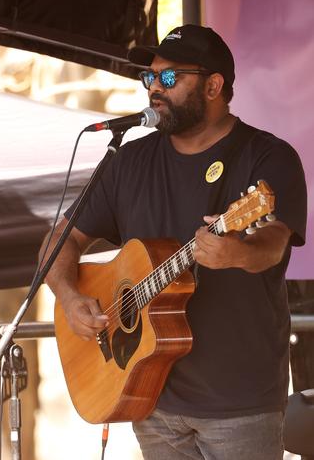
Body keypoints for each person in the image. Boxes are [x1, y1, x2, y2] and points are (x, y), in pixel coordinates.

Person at [42, 24, 307, 459]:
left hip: (239, 400)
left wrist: (237, 251)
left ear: (214, 86)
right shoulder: (128, 161)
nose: (153, 89)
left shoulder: (268, 157)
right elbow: (60, 241)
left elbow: (273, 245)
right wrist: (70, 297)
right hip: (150, 393)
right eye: (150, 78)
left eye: (169, 78)